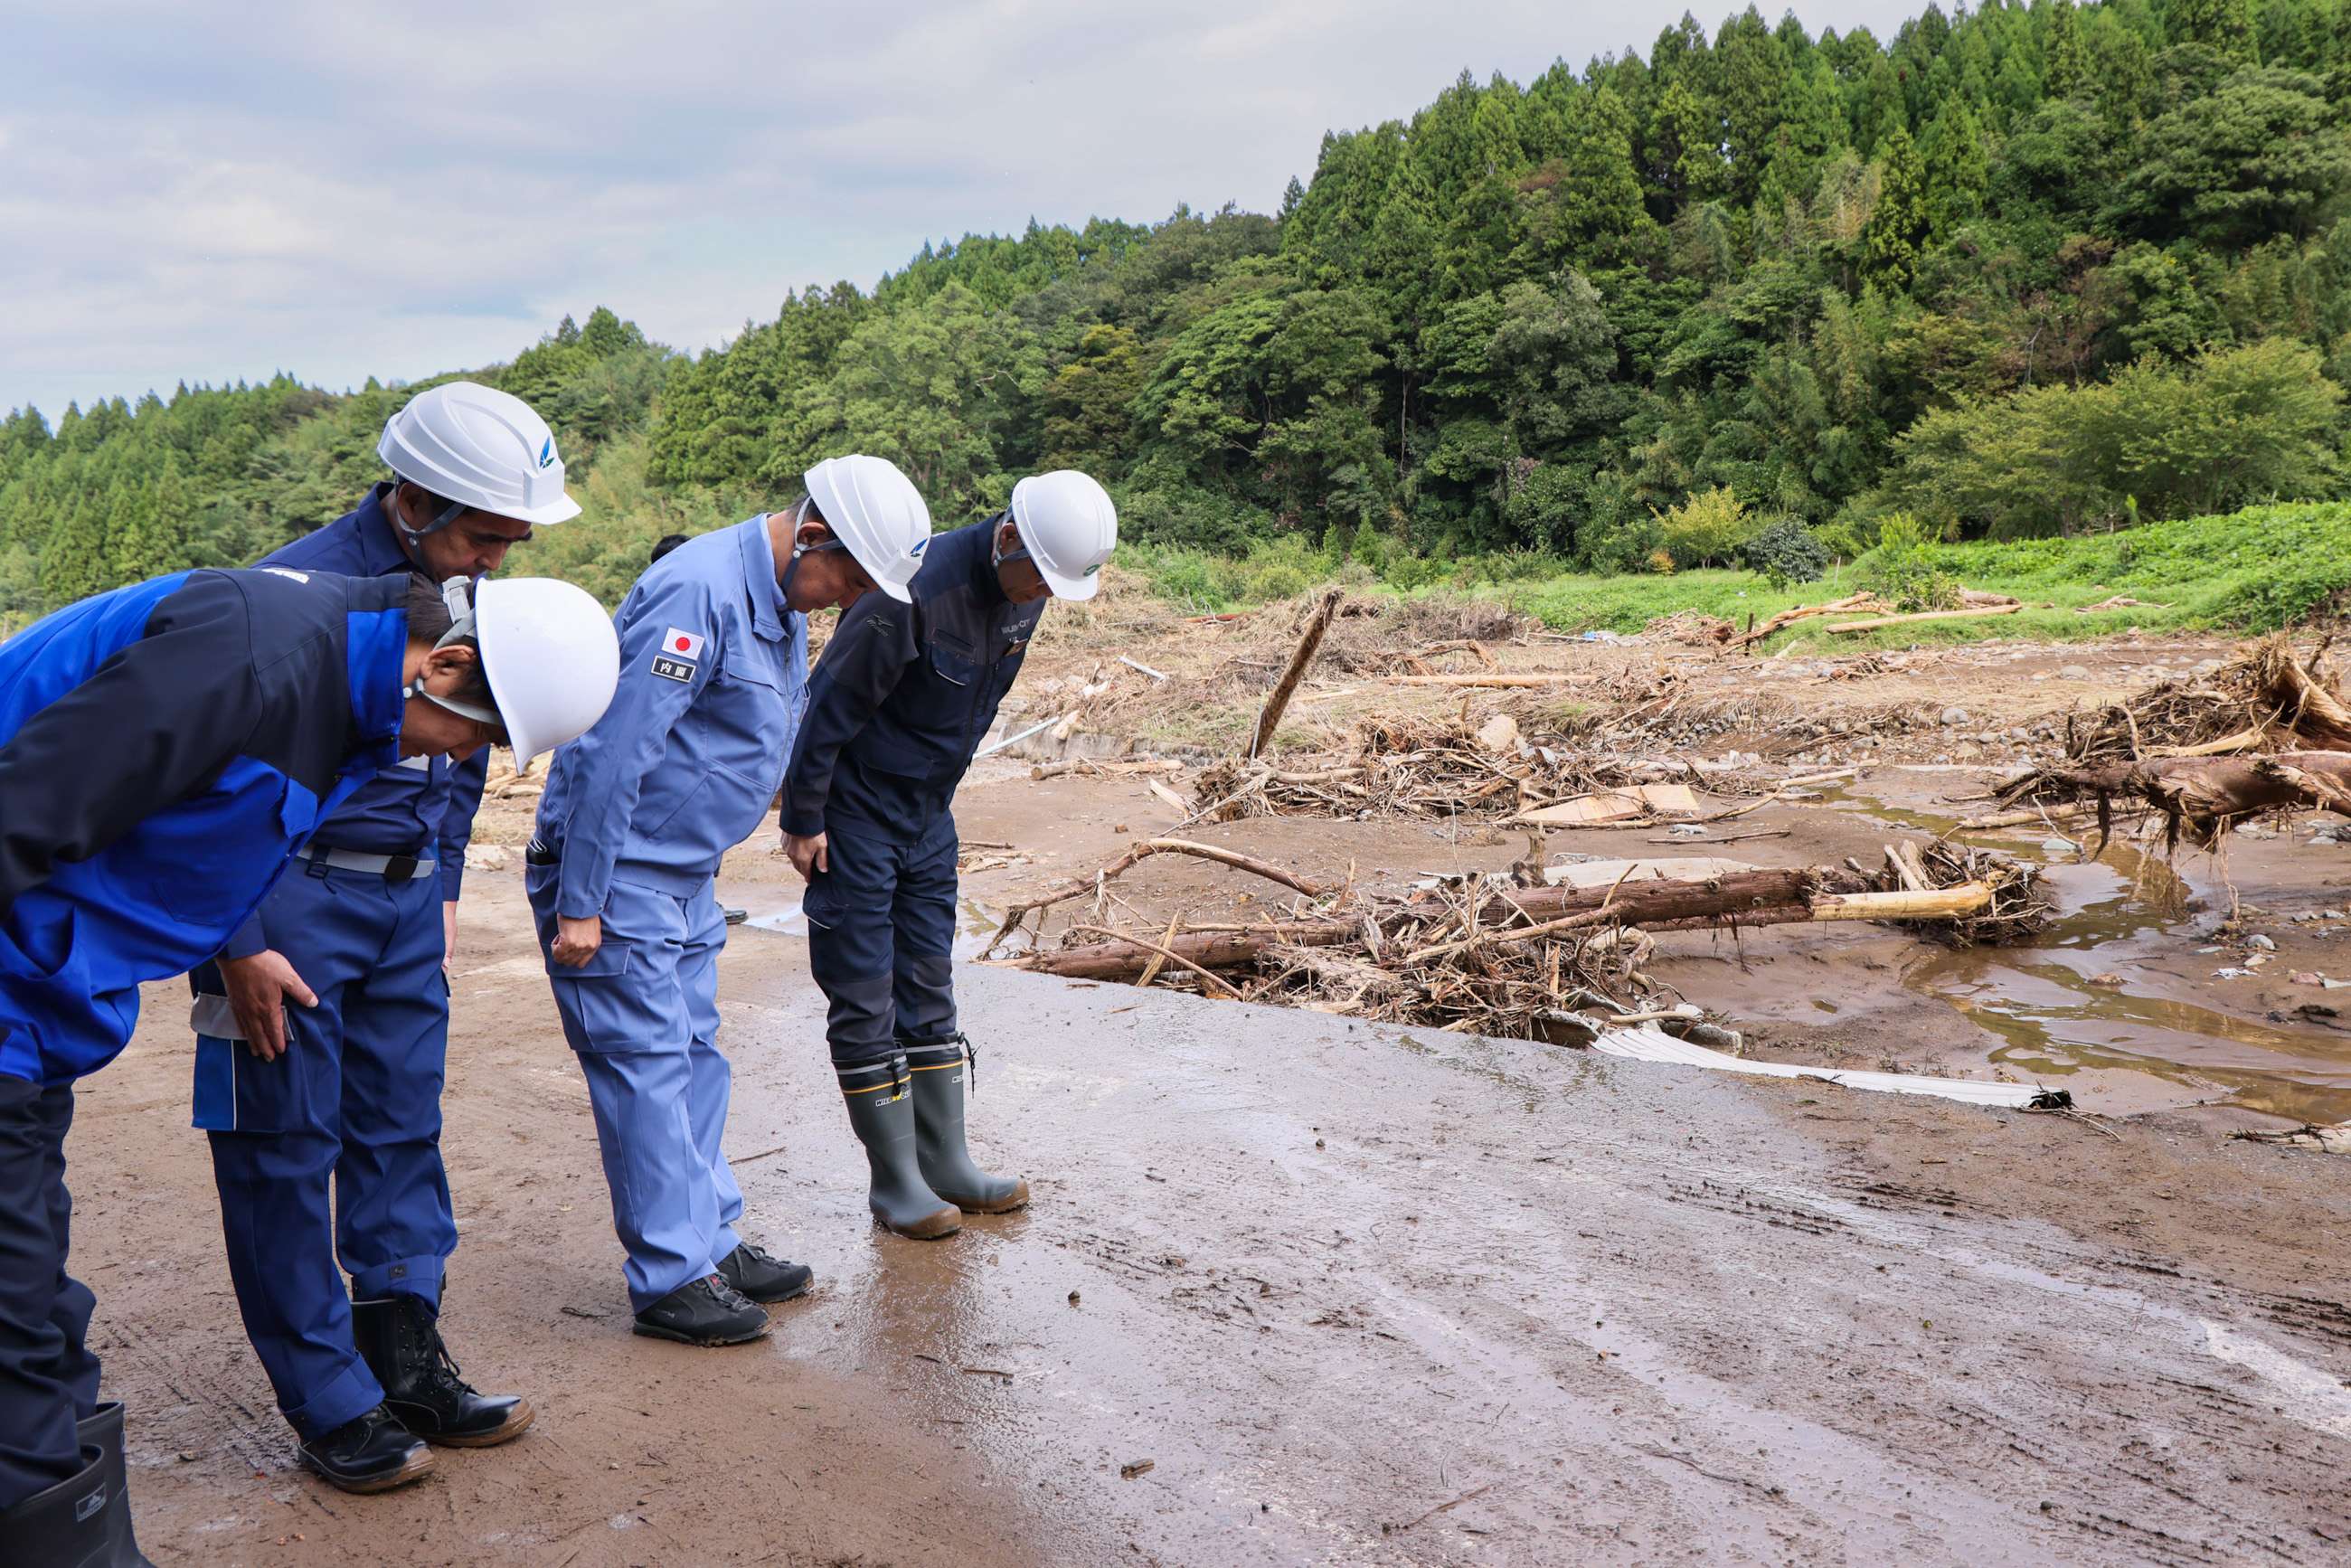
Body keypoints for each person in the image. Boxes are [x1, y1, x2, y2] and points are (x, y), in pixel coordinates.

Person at [0, 565, 617, 1563]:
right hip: (10, 1007)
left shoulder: (343, 691)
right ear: (448, 666)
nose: (464, 759)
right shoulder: (256, 657)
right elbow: (23, 808)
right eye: (478, 735)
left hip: (40, 1014)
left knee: (40, 1312)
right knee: (15, 1320)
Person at [188, 383, 597, 1495]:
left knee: (400, 1129)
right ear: (411, 498)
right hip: (284, 900)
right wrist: (235, 939)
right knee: (279, 1147)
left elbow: (469, 751)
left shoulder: (478, 599)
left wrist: (446, 882)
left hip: (408, 903)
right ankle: (326, 1398)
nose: (496, 563)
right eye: (480, 535)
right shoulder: (287, 594)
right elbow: (200, 788)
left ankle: (404, 1355)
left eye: (514, 541)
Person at [526, 455, 931, 1346]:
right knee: (643, 1066)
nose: (845, 601)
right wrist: (581, 902)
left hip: (680, 874)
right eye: (849, 582)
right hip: (619, 873)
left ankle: (710, 1240)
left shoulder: (780, 604)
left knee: (696, 1059)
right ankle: (671, 1277)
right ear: (812, 535)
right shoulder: (697, 594)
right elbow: (610, 753)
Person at [779, 471, 1118, 1239]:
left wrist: (934, 812)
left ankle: (948, 1163)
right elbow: (826, 703)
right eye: (1039, 576)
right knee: (866, 995)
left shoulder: (1023, 600)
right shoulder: (910, 591)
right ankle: (896, 1183)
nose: (1044, 596)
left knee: (930, 985)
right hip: (858, 815)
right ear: (1006, 538)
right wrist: (804, 817)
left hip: (930, 817)